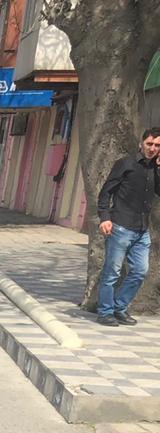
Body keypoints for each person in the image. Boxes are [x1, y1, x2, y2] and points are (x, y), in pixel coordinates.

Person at [95, 126, 160, 327]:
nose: (152, 148)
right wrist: (104, 217)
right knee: (112, 272)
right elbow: (106, 192)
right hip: (120, 226)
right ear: (141, 143)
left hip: (142, 230)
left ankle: (119, 308)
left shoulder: (155, 169)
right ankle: (105, 312)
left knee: (140, 271)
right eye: (149, 144)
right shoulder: (126, 164)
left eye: (157, 146)